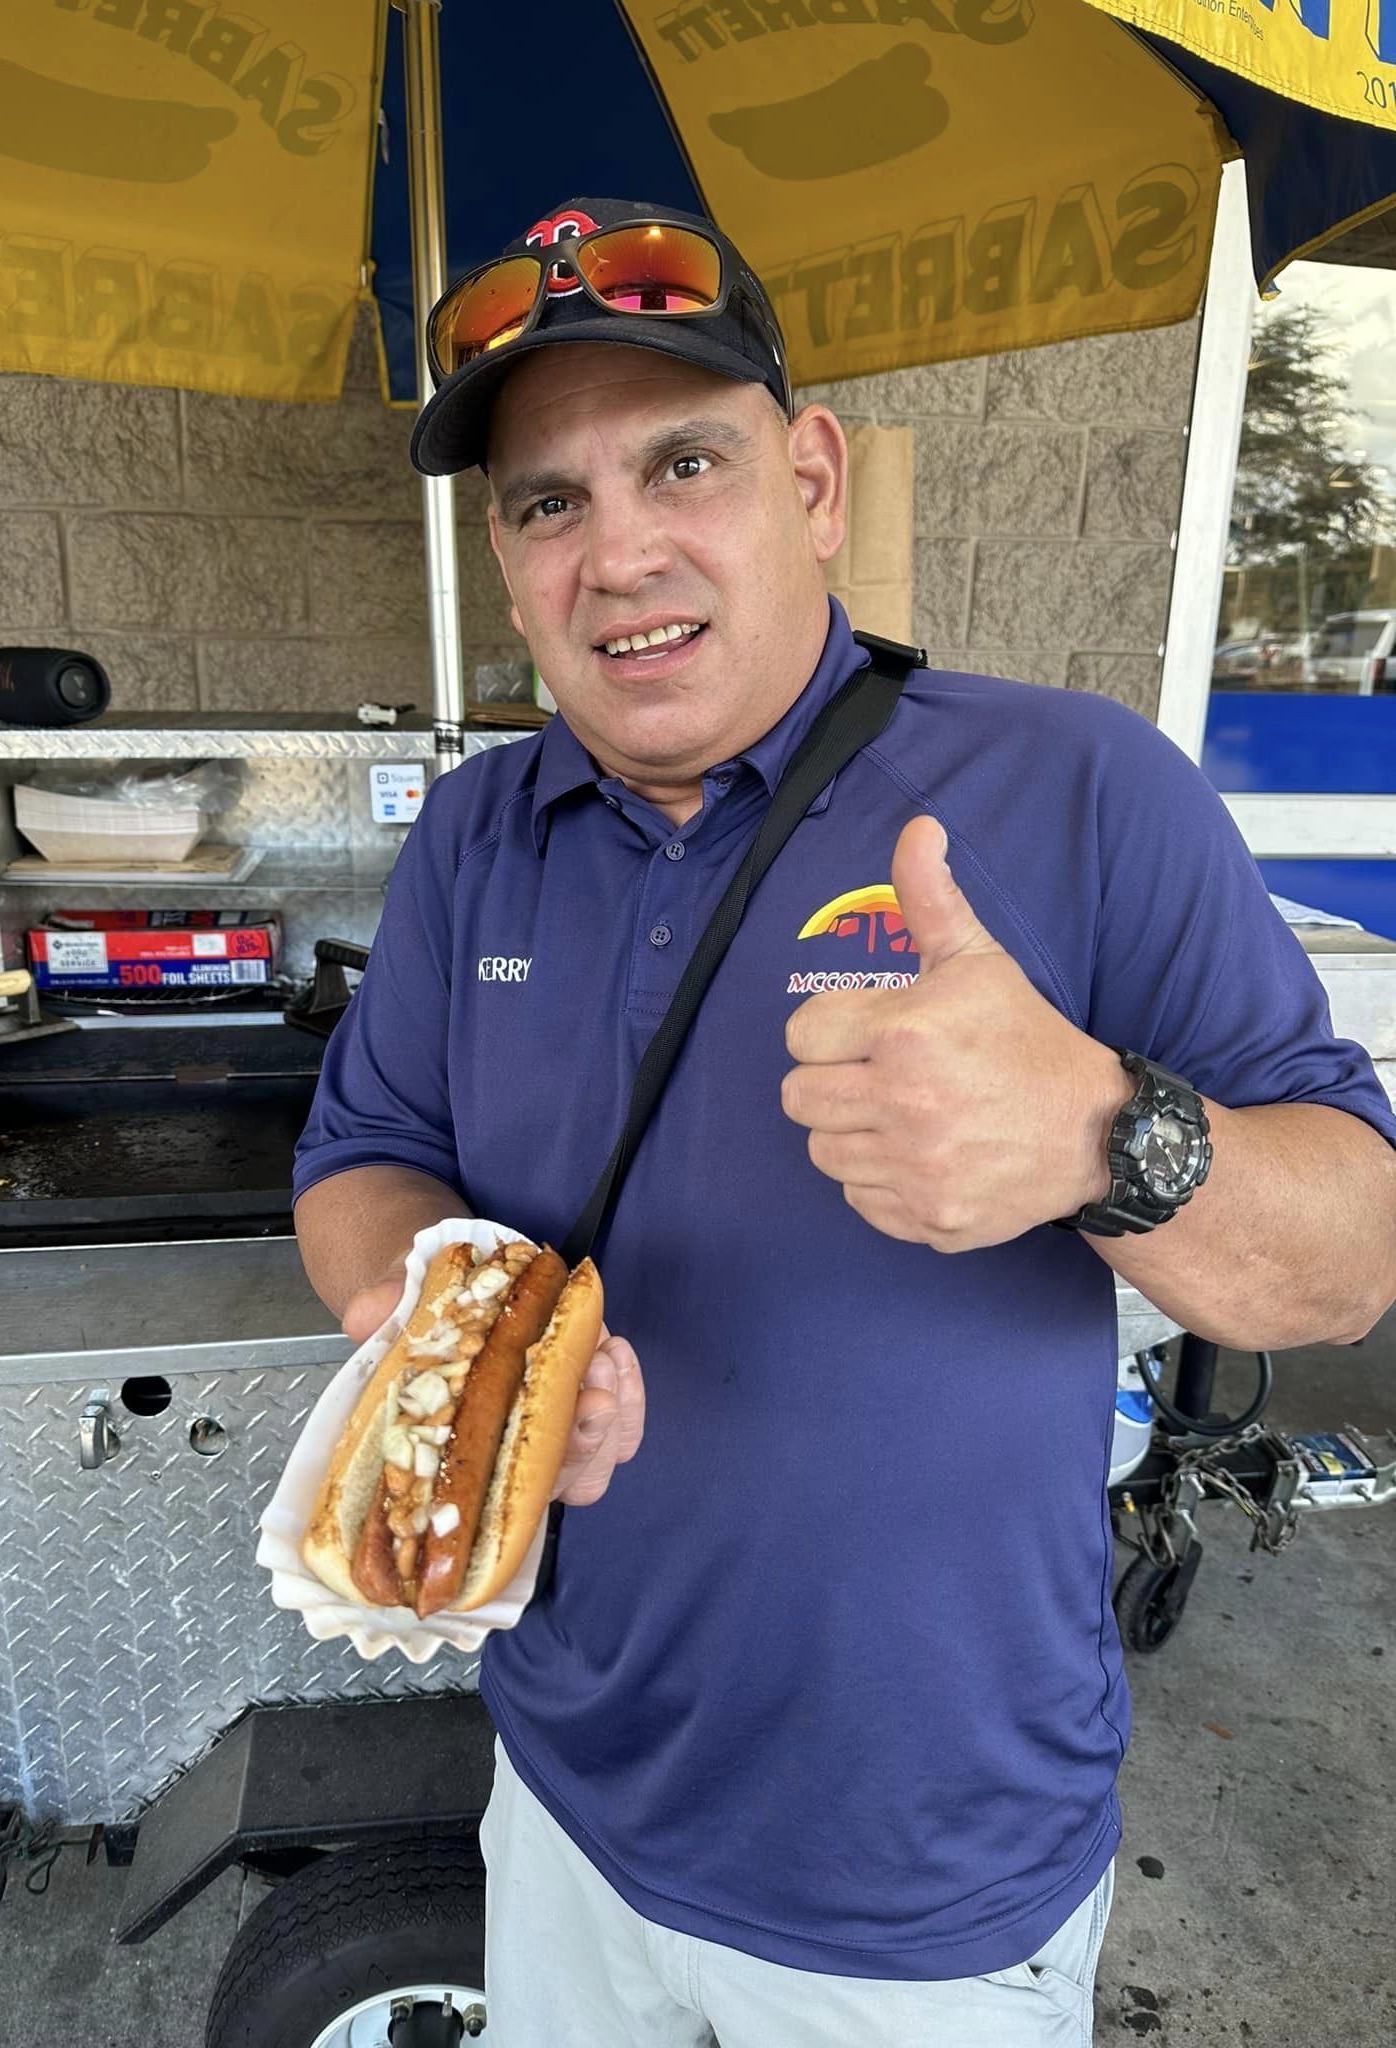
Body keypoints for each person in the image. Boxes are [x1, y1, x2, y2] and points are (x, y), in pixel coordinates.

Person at [292, 196, 1396, 2047]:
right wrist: (450, 1329)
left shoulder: (1078, 786)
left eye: (684, 461)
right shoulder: (476, 837)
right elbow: (362, 1160)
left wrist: (1105, 1138)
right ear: (503, 556)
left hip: (925, 1865)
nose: (618, 552)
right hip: (565, 1788)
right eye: (545, 501)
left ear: (810, 478)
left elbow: (1351, 1263)